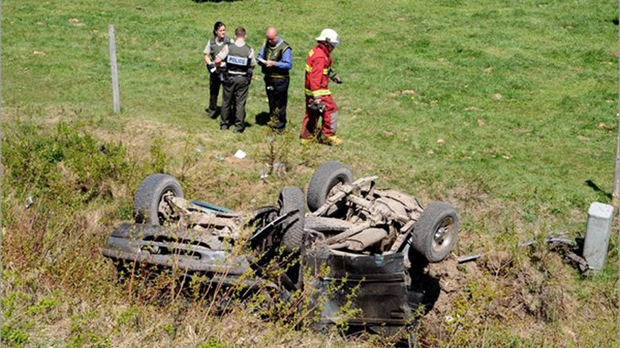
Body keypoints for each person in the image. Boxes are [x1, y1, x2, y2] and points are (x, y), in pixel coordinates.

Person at [300, 28, 344, 146]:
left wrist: (333, 75)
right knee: (331, 110)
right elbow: (315, 77)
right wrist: (318, 96)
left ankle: (306, 137)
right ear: (326, 42)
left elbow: (324, 69)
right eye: (332, 44)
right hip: (319, 91)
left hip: (311, 91)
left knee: (312, 113)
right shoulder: (320, 56)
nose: (333, 47)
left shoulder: (317, 51)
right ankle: (328, 135)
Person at [214, 27, 257, 133]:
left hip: (229, 78)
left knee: (226, 101)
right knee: (240, 103)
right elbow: (253, 65)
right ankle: (238, 127)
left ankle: (224, 125)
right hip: (242, 79)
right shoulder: (249, 49)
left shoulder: (228, 47)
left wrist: (222, 65)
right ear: (245, 36)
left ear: (234, 36)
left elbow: (217, 60)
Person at [257, 26, 292, 134]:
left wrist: (274, 63)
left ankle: (280, 126)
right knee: (271, 101)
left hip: (280, 80)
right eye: (268, 38)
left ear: (277, 36)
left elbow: (288, 65)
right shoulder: (266, 44)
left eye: (272, 39)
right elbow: (260, 55)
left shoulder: (285, 48)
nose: (270, 41)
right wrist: (260, 61)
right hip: (269, 78)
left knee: (280, 103)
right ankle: (273, 122)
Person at [203, 21, 231, 119]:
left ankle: (227, 113)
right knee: (213, 92)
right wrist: (210, 65)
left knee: (227, 93)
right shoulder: (211, 42)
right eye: (221, 30)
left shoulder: (229, 42)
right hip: (215, 71)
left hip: (226, 70)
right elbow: (206, 55)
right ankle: (212, 111)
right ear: (216, 31)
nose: (223, 32)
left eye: (224, 30)